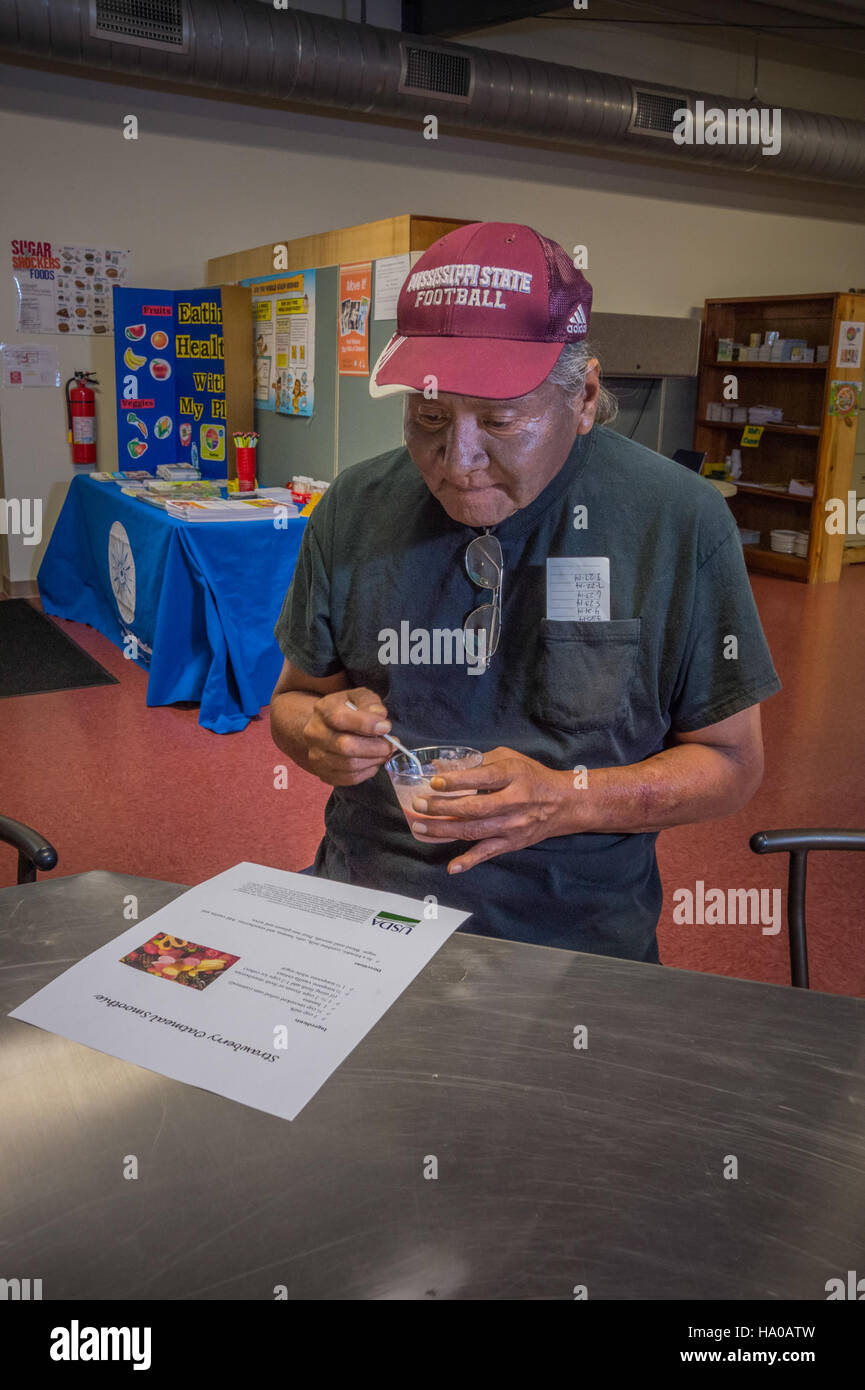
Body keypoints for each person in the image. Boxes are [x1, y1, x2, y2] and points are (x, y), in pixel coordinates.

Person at [269, 222, 780, 961]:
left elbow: (731, 766)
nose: (457, 460)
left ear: (585, 396)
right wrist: (316, 734)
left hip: (571, 931)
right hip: (366, 906)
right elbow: (293, 701)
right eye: (429, 418)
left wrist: (567, 800)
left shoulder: (676, 520)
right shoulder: (355, 505)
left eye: (502, 420)